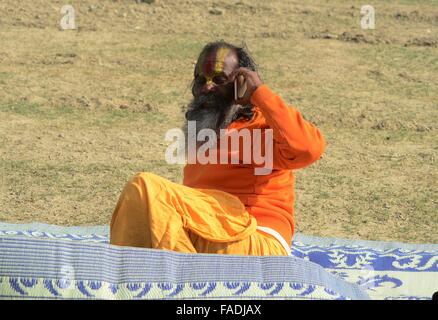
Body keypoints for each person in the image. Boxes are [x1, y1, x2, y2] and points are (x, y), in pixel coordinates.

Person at [110, 41, 325, 256]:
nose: (207, 87)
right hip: (211, 233)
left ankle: (175, 280)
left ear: (241, 84)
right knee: (140, 209)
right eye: (200, 80)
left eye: (219, 80)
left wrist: (260, 93)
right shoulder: (203, 129)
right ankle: (145, 280)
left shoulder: (261, 126)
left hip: (256, 240)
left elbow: (307, 149)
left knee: (146, 187)